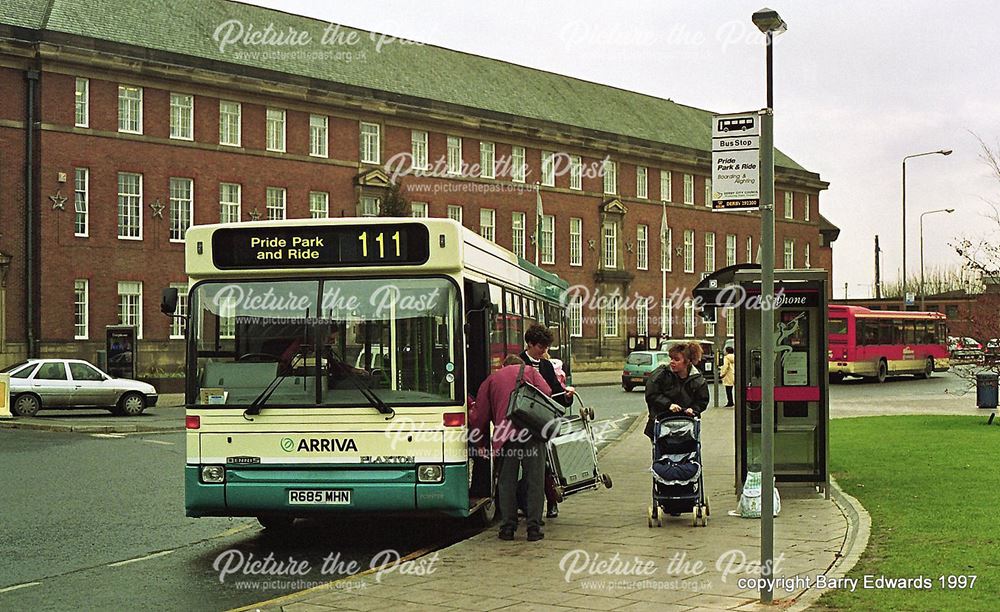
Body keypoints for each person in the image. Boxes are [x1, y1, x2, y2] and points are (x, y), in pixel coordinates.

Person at [470, 354, 551, 542]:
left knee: (507, 481)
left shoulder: (492, 379)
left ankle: (507, 528)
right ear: (520, 365)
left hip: (506, 436)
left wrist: (481, 444)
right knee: (535, 480)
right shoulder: (530, 371)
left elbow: (479, 416)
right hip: (532, 431)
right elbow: (546, 392)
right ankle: (533, 528)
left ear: (503, 366)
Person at [519, 324, 573, 518]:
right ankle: (525, 505)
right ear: (530, 344)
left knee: (547, 465)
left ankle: (551, 502)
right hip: (523, 422)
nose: (544, 351)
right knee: (526, 466)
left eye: (546, 347)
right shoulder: (518, 362)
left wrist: (567, 396)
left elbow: (557, 392)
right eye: (541, 347)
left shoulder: (546, 365)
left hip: (544, 421)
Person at [644, 342, 711, 439]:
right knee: (662, 451)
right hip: (661, 423)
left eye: (676, 359)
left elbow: (702, 400)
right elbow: (651, 395)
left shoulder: (698, 380)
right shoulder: (661, 375)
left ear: (687, 361)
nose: (672, 362)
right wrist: (668, 405)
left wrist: (693, 409)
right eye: (671, 358)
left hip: (686, 426)